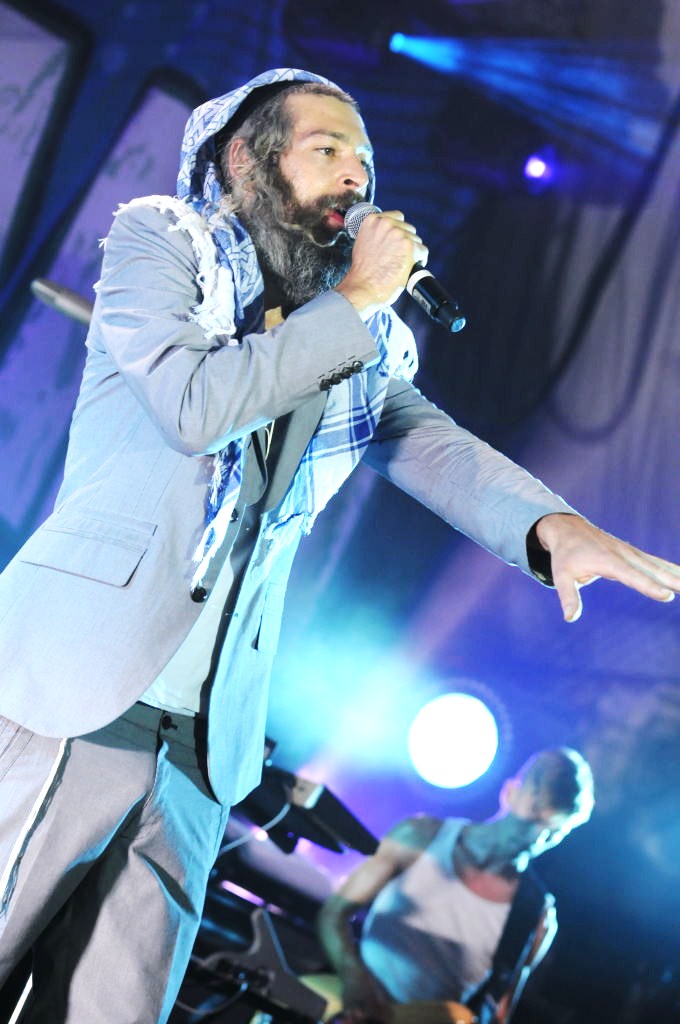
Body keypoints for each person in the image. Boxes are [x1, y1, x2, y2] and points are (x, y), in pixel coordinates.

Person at [0, 66, 677, 1023]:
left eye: (365, 161)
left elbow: (430, 443)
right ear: (245, 159)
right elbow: (194, 405)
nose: (356, 177)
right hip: (76, 691)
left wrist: (551, 527)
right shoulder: (163, 244)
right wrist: (358, 297)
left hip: (202, 752)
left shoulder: (356, 343)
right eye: (328, 151)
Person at [316, 748, 595, 1024]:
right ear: (509, 792)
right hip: (347, 1009)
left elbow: (499, 1009)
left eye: (553, 832)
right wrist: (354, 978)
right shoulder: (420, 835)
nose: (535, 837)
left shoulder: (537, 916)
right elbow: (333, 914)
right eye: (533, 816)